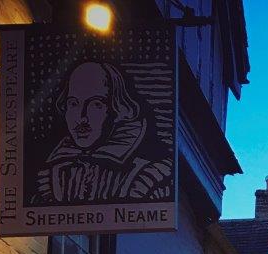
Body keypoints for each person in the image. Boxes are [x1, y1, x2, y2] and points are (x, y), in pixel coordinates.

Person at [35, 61, 173, 205]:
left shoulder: (148, 176)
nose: (82, 118)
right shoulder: (49, 181)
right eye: (73, 103)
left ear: (118, 110)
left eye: (96, 104)